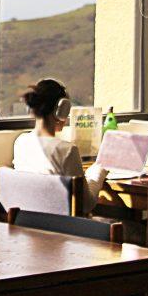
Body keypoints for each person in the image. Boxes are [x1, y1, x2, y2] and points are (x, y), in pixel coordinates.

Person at [12, 78, 106, 214]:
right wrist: (98, 172)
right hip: (63, 230)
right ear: (62, 109)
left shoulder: (20, 142)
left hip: (29, 226)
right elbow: (85, 204)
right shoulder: (67, 151)